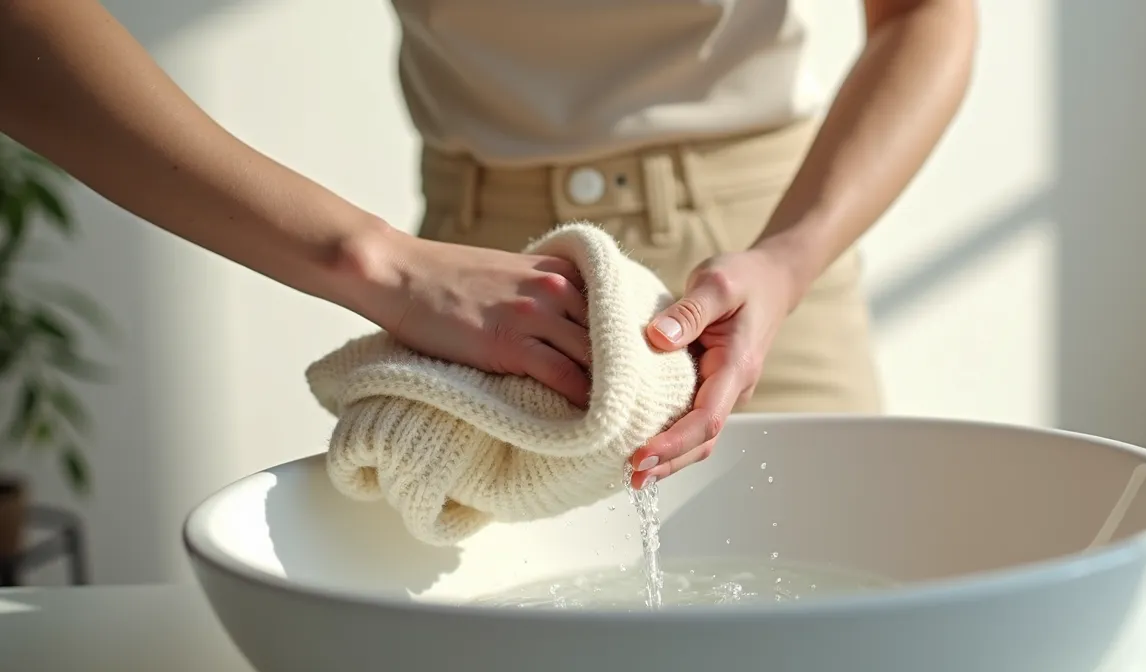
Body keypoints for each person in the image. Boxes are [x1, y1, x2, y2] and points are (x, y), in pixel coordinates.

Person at [0, 1, 977, 489]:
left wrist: (790, 255)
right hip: (474, 287)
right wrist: (373, 263)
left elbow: (923, 10)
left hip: (759, 284)